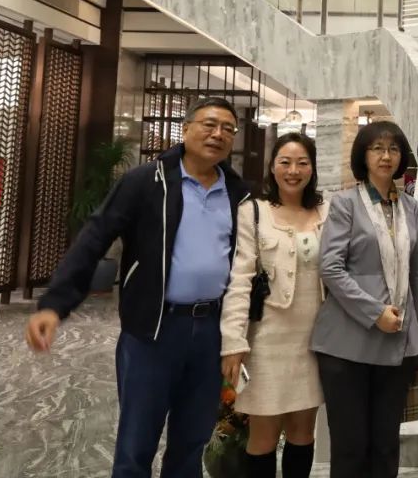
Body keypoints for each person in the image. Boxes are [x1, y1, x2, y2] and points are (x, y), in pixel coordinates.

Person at [25, 97, 250, 478]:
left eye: (228, 129)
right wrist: (55, 304)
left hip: (212, 331)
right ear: (186, 129)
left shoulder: (238, 193)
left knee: (191, 444)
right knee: (135, 446)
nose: (218, 134)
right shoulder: (146, 181)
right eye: (210, 124)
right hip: (153, 330)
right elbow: (94, 238)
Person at [311, 121, 418, 478]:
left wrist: (415, 337)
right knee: (350, 446)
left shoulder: (412, 208)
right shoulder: (345, 203)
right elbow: (330, 268)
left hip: (396, 342)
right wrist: (375, 312)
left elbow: (416, 275)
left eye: (393, 148)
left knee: (386, 445)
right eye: (377, 148)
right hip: (347, 342)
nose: (386, 156)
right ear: (363, 155)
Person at [220, 132, 328, 478]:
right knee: (263, 437)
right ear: (272, 167)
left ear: (312, 168)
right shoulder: (254, 212)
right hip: (266, 340)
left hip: (315, 339)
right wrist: (233, 341)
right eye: (285, 162)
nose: (293, 171)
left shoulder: (327, 211)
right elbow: (240, 280)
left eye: (302, 163)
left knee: (302, 433)